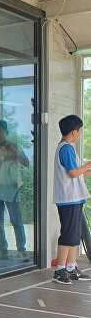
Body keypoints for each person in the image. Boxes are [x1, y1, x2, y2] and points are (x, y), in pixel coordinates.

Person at [53, 115, 91, 284]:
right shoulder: (66, 148)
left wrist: (87, 169)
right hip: (68, 199)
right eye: (80, 131)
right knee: (68, 234)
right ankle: (60, 270)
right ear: (74, 132)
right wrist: (88, 166)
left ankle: (71, 267)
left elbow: (77, 173)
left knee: (74, 235)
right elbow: (73, 172)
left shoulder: (69, 148)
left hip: (74, 199)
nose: (80, 134)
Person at [0, 119, 29, 260]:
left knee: (16, 219)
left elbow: (26, 163)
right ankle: (2, 250)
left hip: (10, 187)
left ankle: (21, 249)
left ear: (6, 132)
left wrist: (14, 153)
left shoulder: (14, 146)